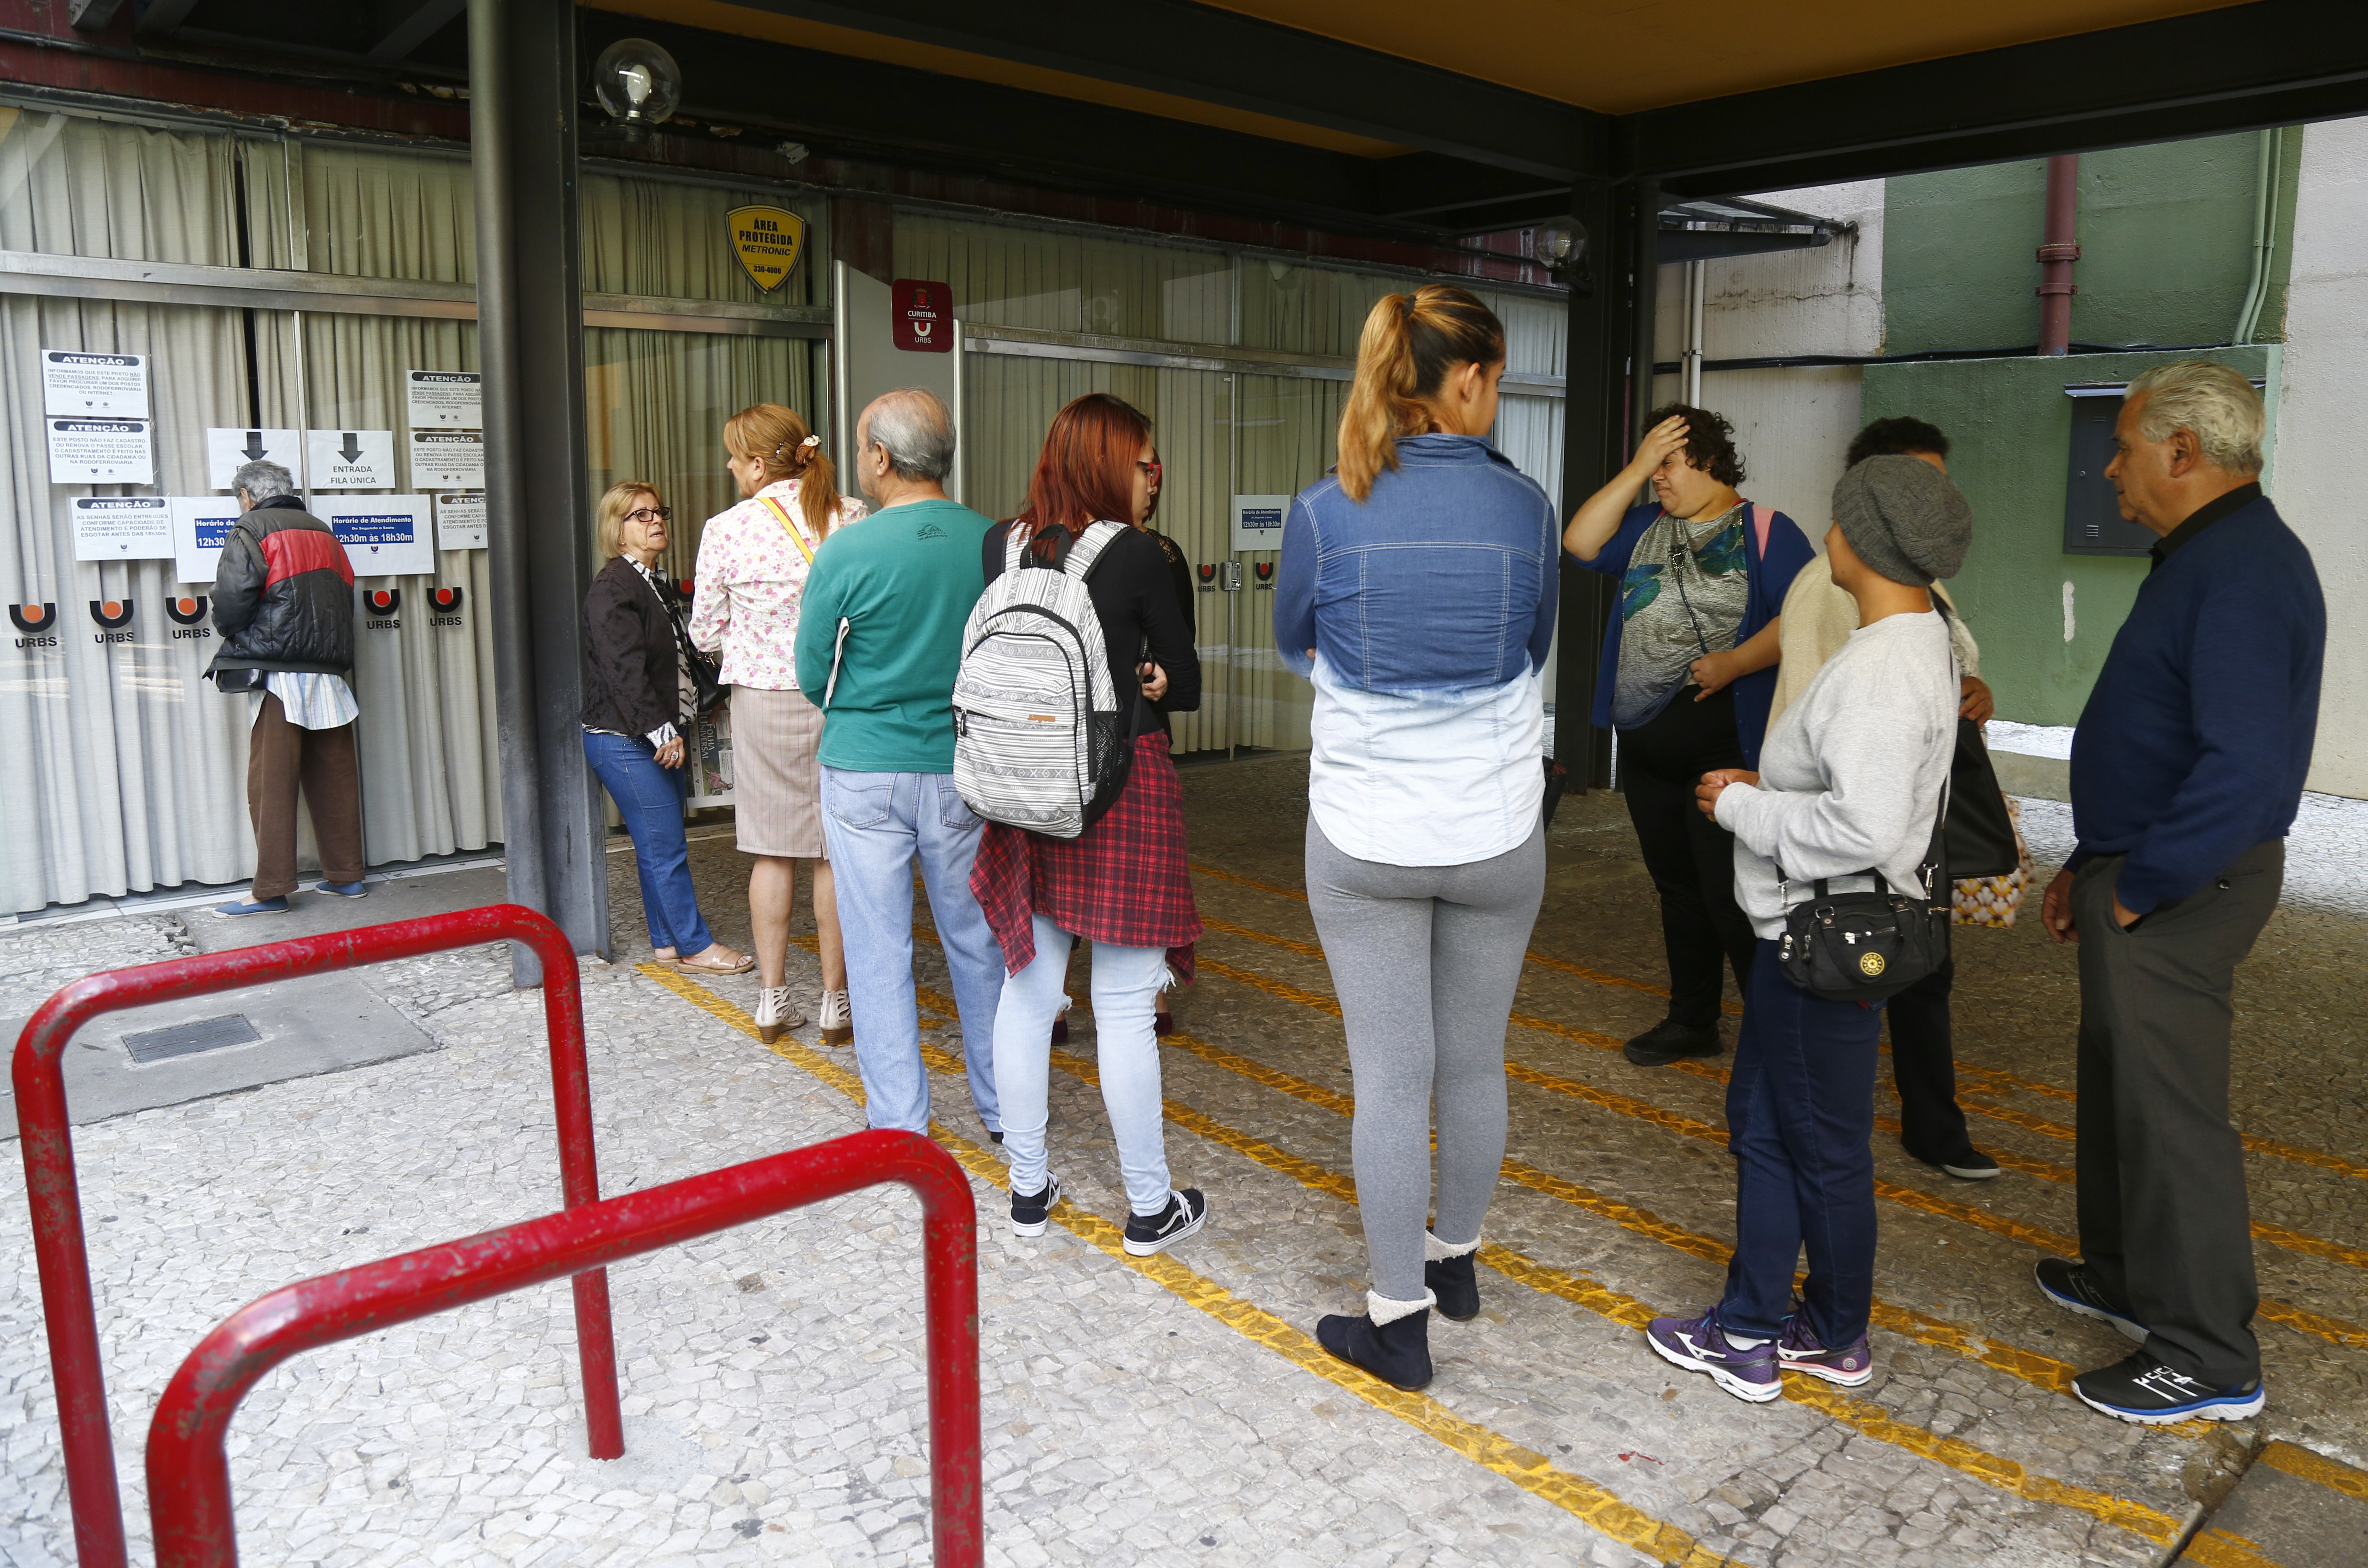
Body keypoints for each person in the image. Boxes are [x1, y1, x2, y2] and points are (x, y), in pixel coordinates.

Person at [1276, 285, 1557, 1392]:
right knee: (1474, 1060)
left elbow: (1300, 639)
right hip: (1495, 830)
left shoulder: (1320, 510)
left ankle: (1397, 1324)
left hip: (1364, 832)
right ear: (1470, 382)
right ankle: (1458, 1265)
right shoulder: (1527, 509)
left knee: (1392, 1079)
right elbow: (1532, 648)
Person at [1647, 454, 1969, 1403]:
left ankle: (1752, 1333)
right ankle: (1826, 1330)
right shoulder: (1922, 639)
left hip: (1817, 932)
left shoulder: (1879, 668)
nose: (1825, 533)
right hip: (1837, 928)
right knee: (1781, 1126)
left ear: (1864, 542)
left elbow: (1862, 826)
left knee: (1805, 1140)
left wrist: (1743, 807)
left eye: (1837, 520)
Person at [2036, 361, 2321, 1425]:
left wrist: (2139, 884)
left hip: (2182, 882)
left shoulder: (2242, 567)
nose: (2110, 469)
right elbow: (2167, 736)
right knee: (2123, 1091)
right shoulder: (2211, 554)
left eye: (2122, 448)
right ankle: (2126, 1276)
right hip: (2146, 866)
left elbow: (2244, 769)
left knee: (2173, 1116)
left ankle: (2207, 1351)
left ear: (2184, 452)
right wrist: (2092, 861)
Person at [973, 395, 1207, 1255]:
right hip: (1122, 786)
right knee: (1122, 1005)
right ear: (1114, 465)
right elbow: (1184, 685)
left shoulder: (997, 543)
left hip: (1021, 784)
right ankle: (1150, 1207)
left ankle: (1028, 1192)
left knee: (1027, 993)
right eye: (1145, 463)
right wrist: (1148, 678)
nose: (1152, 479)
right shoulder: (1139, 555)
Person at [1767, 417, 1999, 1182]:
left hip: (1889, 817)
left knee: (1914, 972)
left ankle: (1915, 1124)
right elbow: (1843, 725)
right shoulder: (1845, 589)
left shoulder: (1917, 583)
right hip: (1858, 833)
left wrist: (1966, 690)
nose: (1934, 501)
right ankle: (1900, 1128)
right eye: (1913, 483)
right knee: (1874, 974)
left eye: (1940, 483)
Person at [1566, 405, 1814, 1066]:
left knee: (1731, 896)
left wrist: (1735, 663)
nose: (1658, 483)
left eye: (1668, 465)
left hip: (1723, 750)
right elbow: (1581, 542)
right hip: (1648, 748)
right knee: (1677, 892)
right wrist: (1641, 461)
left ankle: (1776, 1032)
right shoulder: (1648, 526)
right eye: (1653, 468)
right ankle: (1693, 1020)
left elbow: (1808, 618)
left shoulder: (1768, 532)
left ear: (1705, 458)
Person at [794, 388, 1002, 1141]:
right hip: (962, 765)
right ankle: (1002, 1107)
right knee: (976, 941)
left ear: (880, 458)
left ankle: (898, 1121)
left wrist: (857, 699)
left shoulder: (847, 548)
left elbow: (812, 668)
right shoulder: (991, 542)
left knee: (877, 947)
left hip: (864, 767)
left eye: (859, 449)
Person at [690, 404, 863, 1045]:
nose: (731, 467)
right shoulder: (851, 516)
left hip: (762, 700)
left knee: (773, 850)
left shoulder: (726, 529)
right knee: (831, 853)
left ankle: (772, 998)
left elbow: (704, 630)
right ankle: (836, 1004)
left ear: (760, 464)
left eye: (736, 457)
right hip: (840, 698)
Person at [581, 481, 751, 976]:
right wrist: (663, 732)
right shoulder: (614, 587)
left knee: (659, 844)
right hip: (624, 739)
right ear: (617, 532)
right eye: (640, 516)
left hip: (645, 734)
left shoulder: (649, 580)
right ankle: (697, 946)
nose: (656, 521)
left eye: (659, 512)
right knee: (667, 849)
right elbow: (623, 670)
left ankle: (666, 943)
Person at [206, 459, 366, 917]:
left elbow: (233, 599)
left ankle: (271, 890)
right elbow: (345, 592)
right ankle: (347, 876)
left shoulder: (252, 527)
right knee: (333, 774)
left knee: (271, 780)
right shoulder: (323, 530)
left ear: (246, 496)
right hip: (328, 669)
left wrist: (228, 630)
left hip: (278, 666)